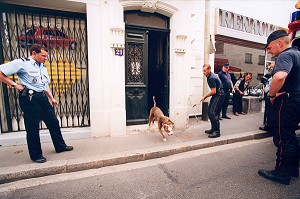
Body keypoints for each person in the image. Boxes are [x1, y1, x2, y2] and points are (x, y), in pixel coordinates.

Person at [0, 44, 73, 163]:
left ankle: (60, 146)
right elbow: (1, 72)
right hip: (30, 98)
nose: (45, 58)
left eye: (46, 56)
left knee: (53, 122)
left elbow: (44, 85)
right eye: (43, 55)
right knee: (33, 127)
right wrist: (14, 85)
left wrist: (52, 98)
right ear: (34, 53)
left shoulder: (42, 67)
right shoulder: (22, 63)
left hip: (42, 98)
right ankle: (36, 155)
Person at [258, 30, 300, 185]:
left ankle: (282, 172)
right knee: (291, 136)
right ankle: (293, 168)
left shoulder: (285, 55)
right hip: (297, 100)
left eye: (269, 48)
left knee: (283, 138)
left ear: (279, 43)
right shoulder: (298, 54)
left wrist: (271, 95)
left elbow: (280, 77)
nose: (269, 52)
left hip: (287, 103)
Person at [201, 64, 225, 138]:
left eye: (205, 71)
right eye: (203, 71)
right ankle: (213, 129)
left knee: (213, 113)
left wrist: (204, 97)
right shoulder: (210, 76)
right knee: (209, 112)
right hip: (217, 94)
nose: (203, 72)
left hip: (219, 94)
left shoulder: (211, 78)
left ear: (209, 70)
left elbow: (213, 91)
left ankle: (217, 132)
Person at [259, 62, 274, 131]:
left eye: (272, 67)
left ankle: (268, 126)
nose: (270, 69)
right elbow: (263, 81)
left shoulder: (273, 75)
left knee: (269, 111)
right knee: (268, 111)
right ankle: (267, 124)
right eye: (270, 67)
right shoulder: (269, 75)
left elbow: (271, 85)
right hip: (268, 94)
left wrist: (269, 92)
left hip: (270, 95)